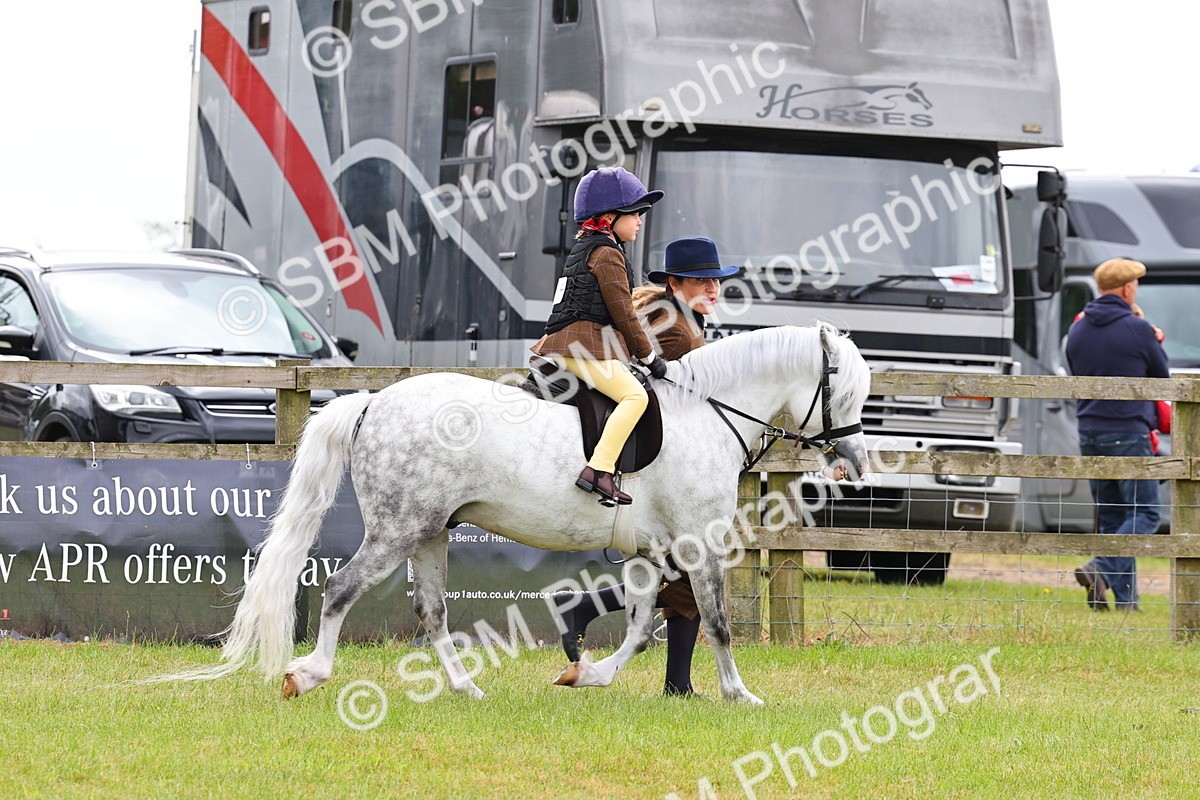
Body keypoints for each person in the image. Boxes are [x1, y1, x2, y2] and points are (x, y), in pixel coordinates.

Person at [553, 237, 740, 696]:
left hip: (654, 461)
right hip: (657, 468)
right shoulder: (675, 327)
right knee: (684, 572)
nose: (713, 288)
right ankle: (590, 613)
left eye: (716, 280)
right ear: (675, 282)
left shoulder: (675, 315)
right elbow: (675, 400)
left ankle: (672, 679)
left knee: (677, 572)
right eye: (702, 280)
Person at [531, 167, 667, 505]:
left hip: (568, 343)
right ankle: (600, 470)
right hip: (580, 348)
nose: (639, 220)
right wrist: (649, 357)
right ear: (609, 217)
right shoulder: (606, 253)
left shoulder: (588, 247)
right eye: (634, 213)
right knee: (636, 396)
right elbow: (625, 315)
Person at [1066, 258, 1170, 612]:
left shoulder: (1078, 329)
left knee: (1113, 518)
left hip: (1089, 433)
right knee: (1146, 515)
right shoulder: (1138, 329)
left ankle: (1126, 602)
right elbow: (1162, 377)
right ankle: (1101, 568)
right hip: (1127, 431)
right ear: (1127, 288)